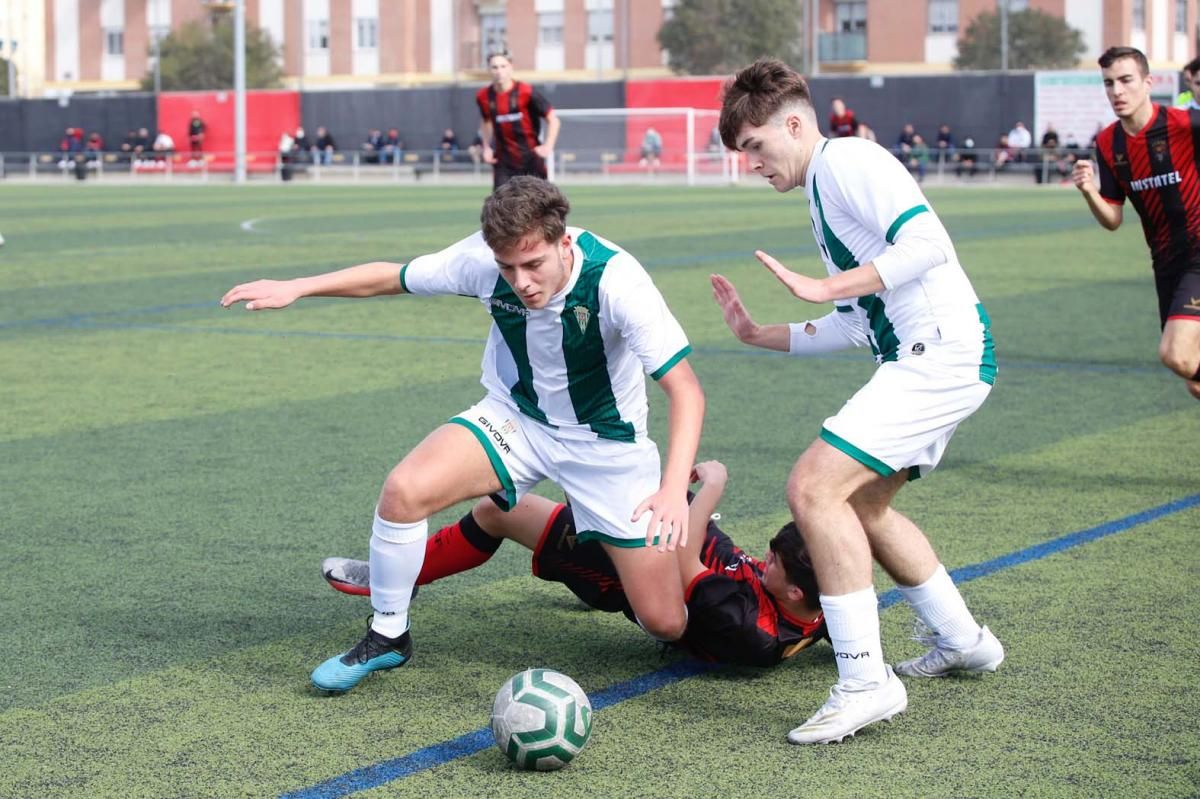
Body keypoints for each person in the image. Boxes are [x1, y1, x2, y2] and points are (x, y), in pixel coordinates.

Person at [220, 176, 706, 693]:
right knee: (404, 490)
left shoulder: (617, 281)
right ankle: (389, 634)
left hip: (604, 445)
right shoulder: (481, 259)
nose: (521, 281)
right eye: (507, 268)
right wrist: (299, 286)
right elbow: (393, 277)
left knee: (665, 623)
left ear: (564, 243)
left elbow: (687, 392)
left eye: (533, 264)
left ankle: (592, 537)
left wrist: (673, 489)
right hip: (516, 418)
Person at [715, 58, 1003, 745]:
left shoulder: (846, 162)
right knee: (864, 507)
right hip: (936, 354)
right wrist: (762, 333)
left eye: (755, 145)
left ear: (792, 122)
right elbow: (854, 318)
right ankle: (965, 640)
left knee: (812, 488)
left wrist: (824, 285)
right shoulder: (824, 186)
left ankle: (864, 681)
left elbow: (929, 244)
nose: (751, 162)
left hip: (939, 353)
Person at [321, 461, 827, 668]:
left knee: (498, 512)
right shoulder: (823, 607)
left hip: (639, 567)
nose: (765, 562)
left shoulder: (742, 622)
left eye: (774, 563)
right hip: (673, 536)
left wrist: (711, 485)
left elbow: (683, 557)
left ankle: (395, 577)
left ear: (795, 593)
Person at [1071, 46, 1200, 400]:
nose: (1117, 91)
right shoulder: (1108, 143)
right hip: (1166, 264)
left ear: (1148, 82)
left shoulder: (1184, 125)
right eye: (1109, 83)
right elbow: (1113, 218)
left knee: (1175, 354)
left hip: (1198, 253)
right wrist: (1088, 190)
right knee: (1192, 376)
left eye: (1126, 80)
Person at [476, 49, 561, 189]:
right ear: (489, 70)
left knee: (539, 206)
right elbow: (486, 121)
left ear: (511, 67)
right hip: (503, 162)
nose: (499, 71)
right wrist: (486, 147)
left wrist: (548, 145)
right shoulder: (483, 96)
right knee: (501, 206)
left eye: (503, 66)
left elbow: (553, 119)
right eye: (494, 67)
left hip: (531, 159)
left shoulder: (526, 92)